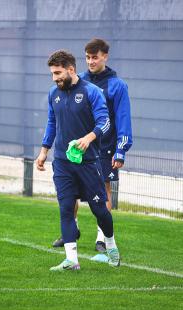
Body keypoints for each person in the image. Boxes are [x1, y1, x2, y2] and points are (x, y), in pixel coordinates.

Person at [36, 50, 120, 271]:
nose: (54, 78)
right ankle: (71, 260)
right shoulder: (53, 93)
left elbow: (105, 122)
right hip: (62, 162)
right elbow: (52, 122)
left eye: (58, 73)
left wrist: (88, 137)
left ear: (71, 69)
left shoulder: (91, 92)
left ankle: (110, 244)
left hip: (89, 162)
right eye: (52, 74)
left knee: (99, 209)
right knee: (65, 207)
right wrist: (44, 150)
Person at [51, 39, 133, 253]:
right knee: (70, 194)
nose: (90, 61)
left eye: (94, 57)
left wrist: (121, 149)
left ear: (105, 56)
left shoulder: (117, 86)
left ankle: (102, 238)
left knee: (102, 194)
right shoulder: (76, 81)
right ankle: (72, 231)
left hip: (104, 149)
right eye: (87, 57)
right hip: (76, 150)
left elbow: (123, 119)